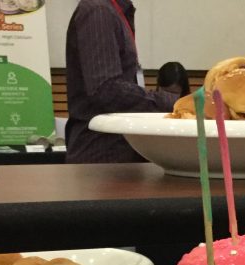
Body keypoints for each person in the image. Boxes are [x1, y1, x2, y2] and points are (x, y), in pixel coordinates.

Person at [64, 0, 175, 163]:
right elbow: (106, 89)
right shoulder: (99, 11)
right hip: (101, 158)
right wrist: (169, 102)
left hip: (113, 154)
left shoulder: (112, 11)